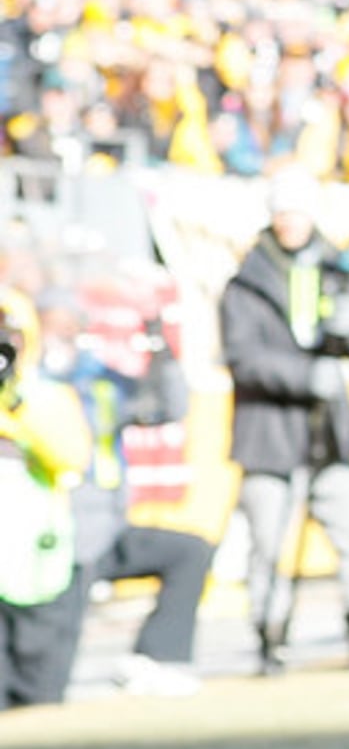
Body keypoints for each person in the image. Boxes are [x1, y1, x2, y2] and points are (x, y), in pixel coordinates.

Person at [221, 172, 349, 674]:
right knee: (269, 542)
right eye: (282, 212)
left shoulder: (337, 268)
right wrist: (306, 377)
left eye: (298, 212)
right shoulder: (246, 282)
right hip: (270, 431)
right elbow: (243, 357)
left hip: (328, 431)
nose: (290, 222)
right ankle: (269, 635)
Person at [36, 287, 214, 697]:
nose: (63, 337)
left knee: (189, 551)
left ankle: (157, 657)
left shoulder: (96, 379)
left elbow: (166, 405)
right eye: (54, 328)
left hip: (106, 530)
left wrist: (159, 346)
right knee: (46, 679)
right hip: (51, 537)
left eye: (71, 327)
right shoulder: (29, 384)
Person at [0, 286, 96, 708]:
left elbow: (72, 456)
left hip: (36, 563)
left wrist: (16, 405)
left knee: (39, 694)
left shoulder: (46, 396)